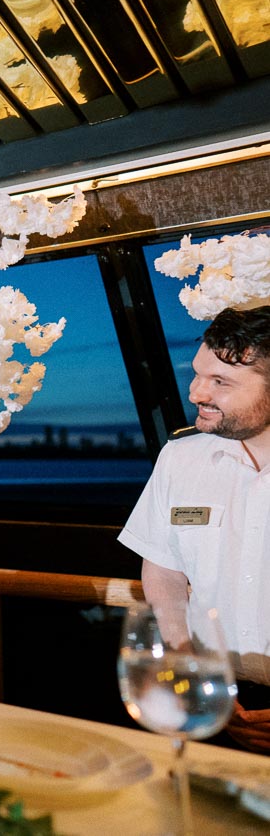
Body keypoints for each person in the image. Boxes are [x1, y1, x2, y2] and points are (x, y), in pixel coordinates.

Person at [119, 306, 270, 753]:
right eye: (199, 374)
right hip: (210, 694)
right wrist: (187, 663)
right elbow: (163, 572)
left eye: (221, 382)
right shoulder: (180, 458)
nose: (196, 392)